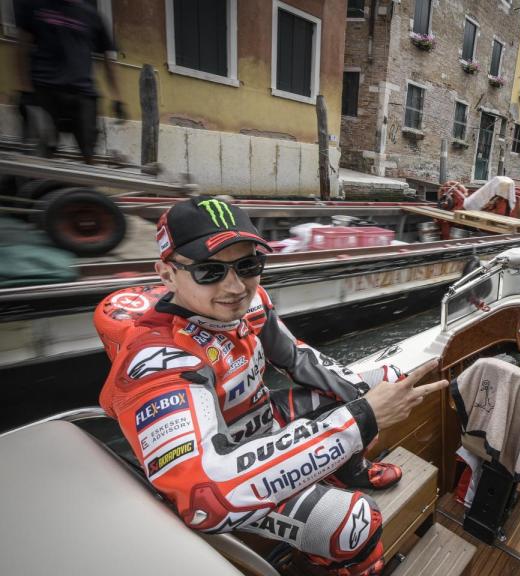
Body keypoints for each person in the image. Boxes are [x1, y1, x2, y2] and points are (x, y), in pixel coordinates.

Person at [94, 197, 447, 576]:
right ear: (167, 275)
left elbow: (297, 358)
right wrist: (361, 418)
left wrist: (361, 399)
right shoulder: (156, 359)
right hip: (228, 469)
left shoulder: (252, 302)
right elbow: (205, 496)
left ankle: (350, 468)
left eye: (248, 265)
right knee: (353, 524)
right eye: (209, 271)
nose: (235, 286)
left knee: (385, 382)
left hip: (265, 420)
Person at [14, 0, 124, 163]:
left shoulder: (92, 15)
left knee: (89, 156)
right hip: (45, 91)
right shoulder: (36, 6)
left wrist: (118, 98)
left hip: (82, 95)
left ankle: (85, 187)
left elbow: (109, 59)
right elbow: (22, 48)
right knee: (40, 156)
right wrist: (25, 90)